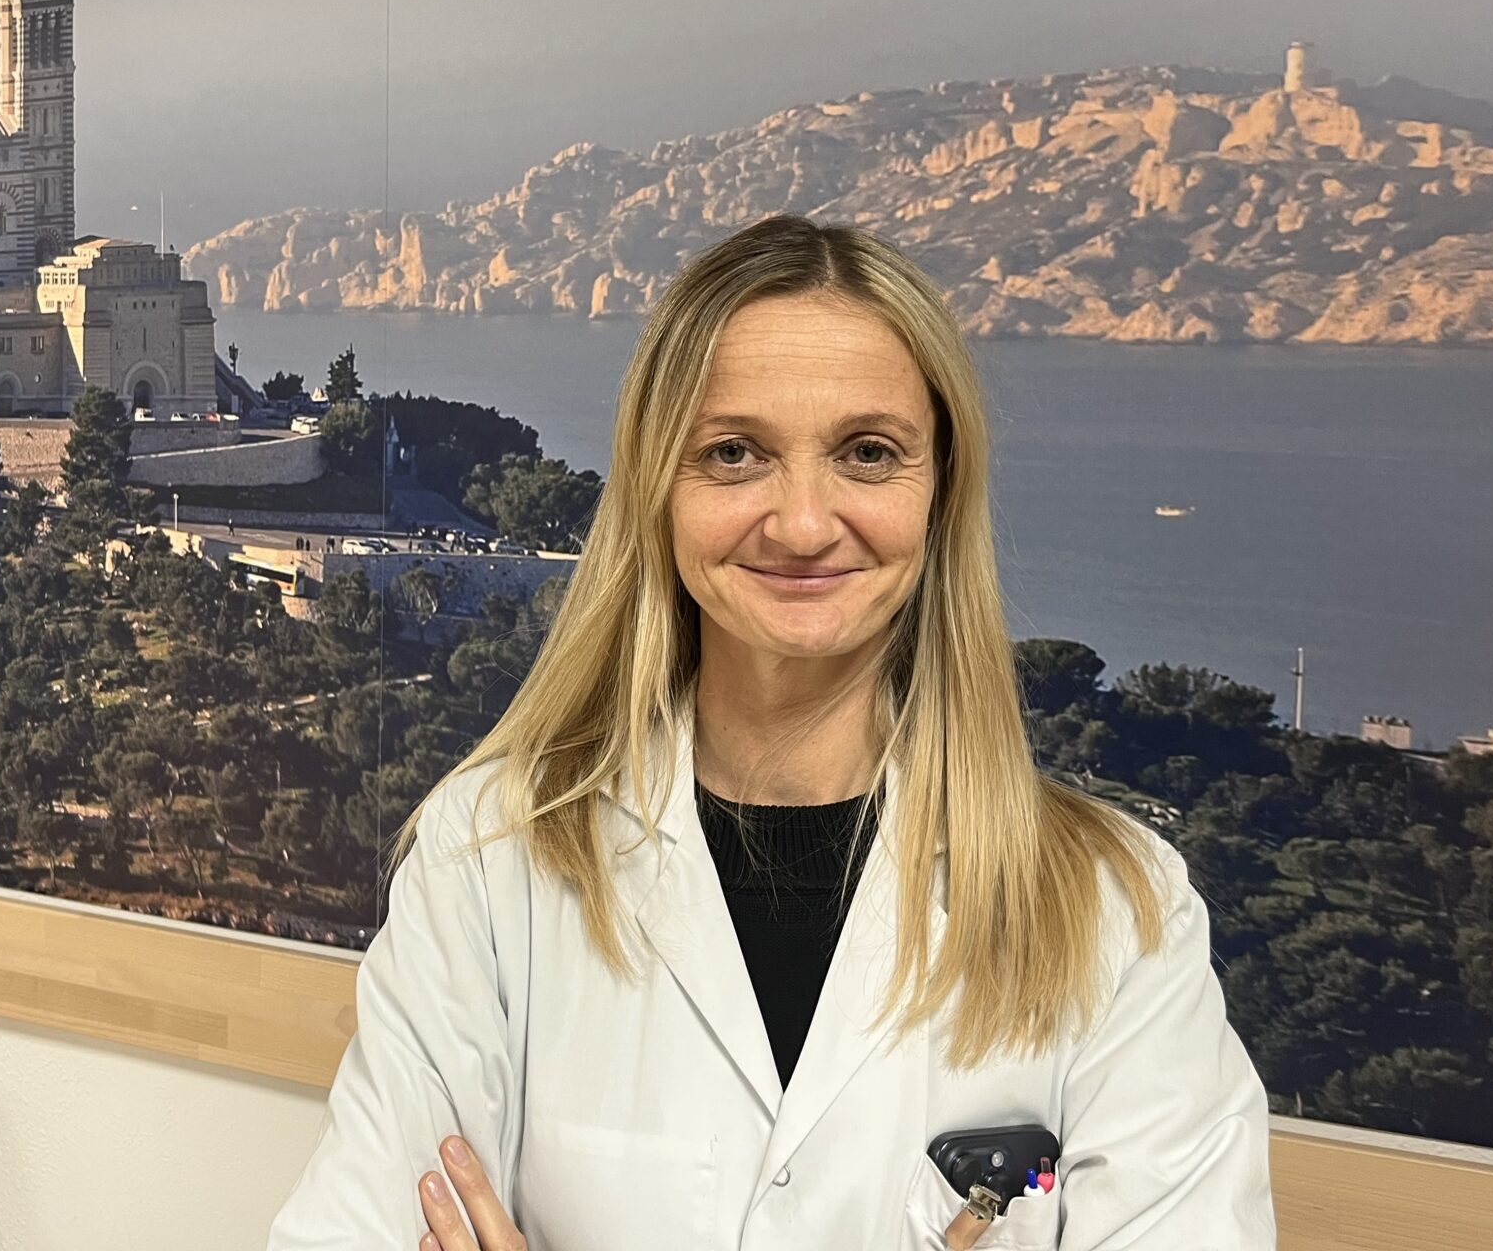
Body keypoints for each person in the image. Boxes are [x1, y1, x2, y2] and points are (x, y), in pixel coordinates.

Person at [266, 214, 1274, 1250]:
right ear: (657, 489)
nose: (801, 524)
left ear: (940, 491)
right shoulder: (487, 860)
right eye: (734, 453)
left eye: (868, 453)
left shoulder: (1120, 914)